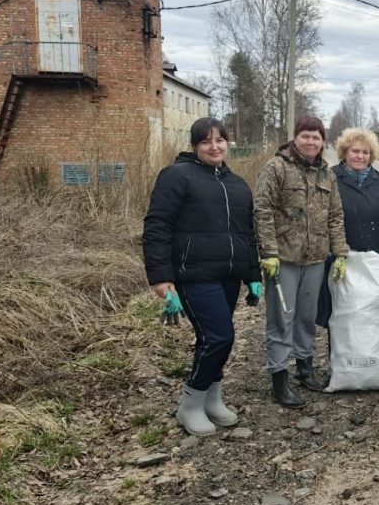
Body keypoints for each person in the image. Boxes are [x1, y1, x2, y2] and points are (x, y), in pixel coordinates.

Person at [142, 117, 263, 437]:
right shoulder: (176, 177)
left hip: (228, 277)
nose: (214, 146)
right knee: (220, 336)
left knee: (213, 339)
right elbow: (157, 227)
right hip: (192, 275)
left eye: (220, 140)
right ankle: (190, 404)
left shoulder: (237, 185)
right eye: (206, 141)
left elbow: (246, 234)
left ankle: (213, 399)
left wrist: (253, 274)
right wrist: (160, 277)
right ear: (195, 146)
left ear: (227, 143)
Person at [254, 116, 349, 408]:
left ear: (323, 142)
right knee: (282, 319)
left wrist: (340, 252)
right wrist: (268, 252)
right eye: (305, 136)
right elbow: (262, 210)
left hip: (316, 259)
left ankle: (305, 369)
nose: (311, 142)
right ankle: (279, 378)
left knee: (306, 318)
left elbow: (335, 215)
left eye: (316, 137)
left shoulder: (326, 174)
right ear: (295, 138)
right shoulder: (277, 168)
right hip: (283, 260)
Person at [315, 127, 379, 330]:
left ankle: (373, 361)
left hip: (375, 263)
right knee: (341, 316)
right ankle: (338, 361)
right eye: (355, 151)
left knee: (374, 315)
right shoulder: (330, 178)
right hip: (341, 261)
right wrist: (330, 252)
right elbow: (319, 217)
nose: (360, 156)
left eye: (365, 152)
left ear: (371, 156)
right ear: (345, 152)